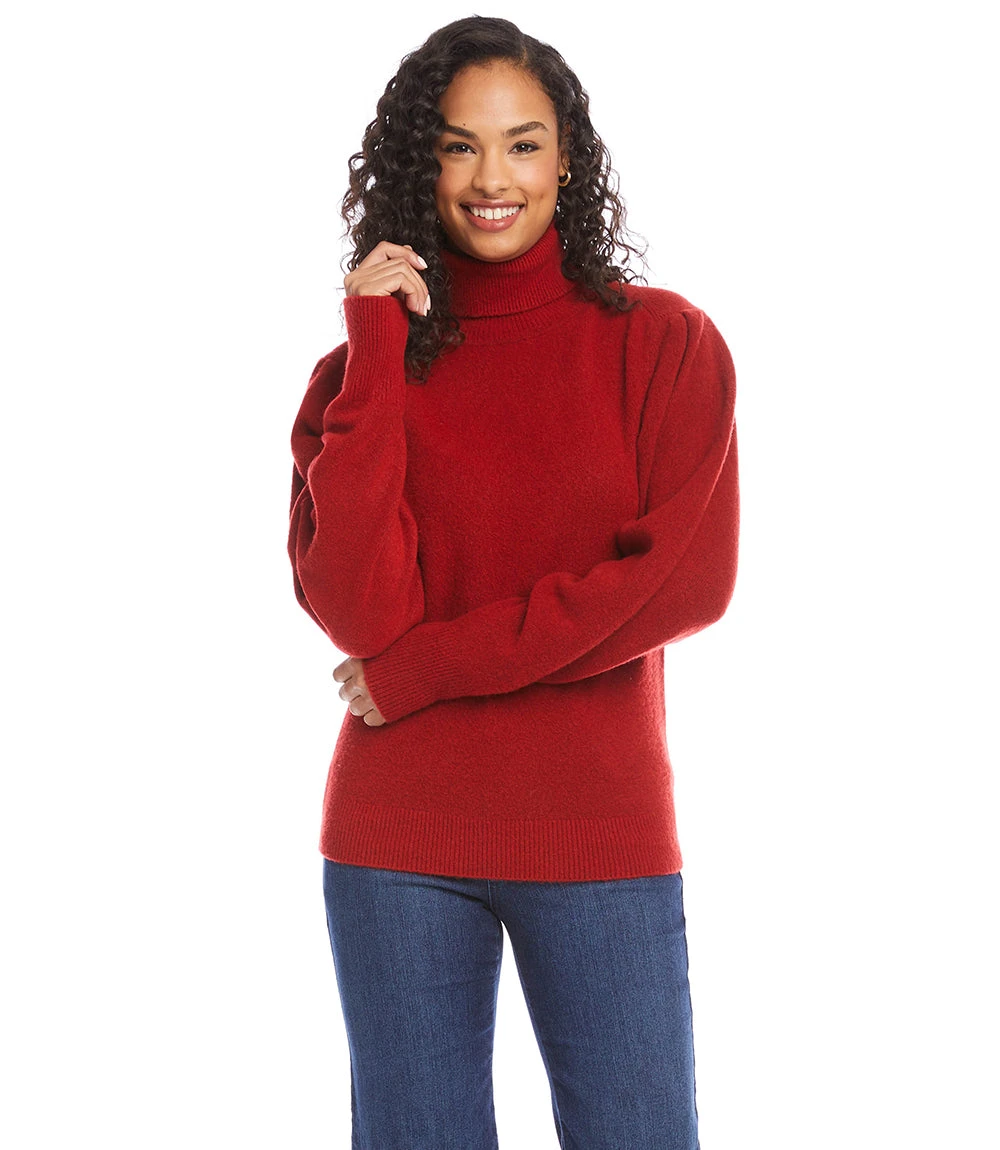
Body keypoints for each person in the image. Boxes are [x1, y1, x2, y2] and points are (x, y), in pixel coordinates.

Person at [288, 15, 739, 1149]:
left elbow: (683, 584)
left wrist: (428, 669)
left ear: (567, 159)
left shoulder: (663, 344)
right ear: (420, 164)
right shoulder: (356, 376)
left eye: (523, 144)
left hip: (598, 828)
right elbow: (359, 611)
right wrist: (375, 346)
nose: (493, 178)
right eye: (459, 146)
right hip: (396, 840)